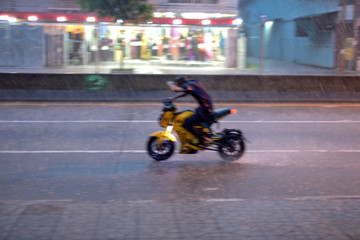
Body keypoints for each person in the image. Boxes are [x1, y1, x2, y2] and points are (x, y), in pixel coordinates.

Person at [167, 76, 214, 145]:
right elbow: (185, 93)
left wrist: (169, 83)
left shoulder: (187, 85)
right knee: (191, 115)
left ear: (181, 83)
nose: (180, 86)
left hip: (205, 110)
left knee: (187, 124)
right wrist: (174, 98)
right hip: (206, 107)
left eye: (179, 84)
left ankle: (203, 138)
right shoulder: (193, 82)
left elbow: (175, 89)